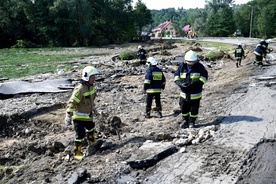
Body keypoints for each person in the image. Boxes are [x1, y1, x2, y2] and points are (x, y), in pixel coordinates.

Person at [64, 66, 99, 160]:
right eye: (92, 77)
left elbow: (92, 100)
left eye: (94, 76)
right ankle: (77, 153)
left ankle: (92, 143)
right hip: (78, 118)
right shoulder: (80, 89)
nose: (94, 79)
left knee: (91, 128)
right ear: (87, 77)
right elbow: (72, 102)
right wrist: (68, 116)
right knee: (80, 135)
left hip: (88, 116)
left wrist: (94, 108)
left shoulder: (91, 87)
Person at [174, 50, 208, 128]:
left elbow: (204, 78)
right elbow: (176, 76)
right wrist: (180, 84)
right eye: (189, 62)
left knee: (194, 109)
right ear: (186, 60)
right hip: (184, 93)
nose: (191, 63)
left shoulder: (200, 67)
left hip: (195, 93)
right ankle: (185, 120)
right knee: (183, 108)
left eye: (193, 62)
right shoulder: (182, 67)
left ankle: (192, 121)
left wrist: (194, 84)